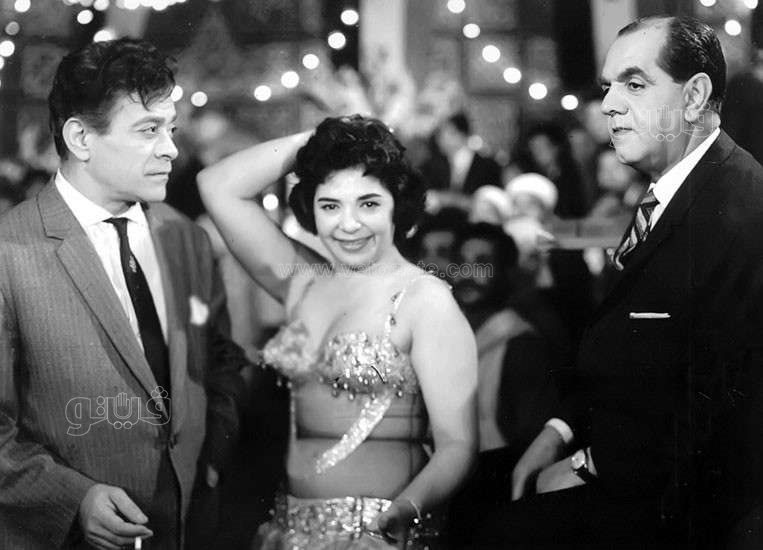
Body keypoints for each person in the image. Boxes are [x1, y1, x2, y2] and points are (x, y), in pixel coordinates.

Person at [475, 15, 763, 549]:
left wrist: (586, 465)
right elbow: (619, 352)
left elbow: (720, 415)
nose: (608, 104)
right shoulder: (670, 192)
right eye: (608, 86)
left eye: (634, 84)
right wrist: (558, 430)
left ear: (694, 96)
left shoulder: (741, 210)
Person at [0, 38, 248, 550]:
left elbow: (220, 357)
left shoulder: (185, 237)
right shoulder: (10, 251)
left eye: (171, 129)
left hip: (188, 526)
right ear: (81, 138)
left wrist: (211, 457)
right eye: (148, 130)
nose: (170, 148)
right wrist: (73, 499)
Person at [198, 115, 477, 549]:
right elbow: (218, 185)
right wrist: (324, 141)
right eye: (330, 206)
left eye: (368, 204)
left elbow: (458, 444)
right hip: (288, 533)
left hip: (380, 535)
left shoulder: (425, 300)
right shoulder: (303, 281)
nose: (348, 224)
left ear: (398, 206)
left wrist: (406, 510)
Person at [447, 222, 568, 547]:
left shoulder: (520, 342)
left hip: (488, 499)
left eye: (482, 262)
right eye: (461, 262)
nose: (468, 273)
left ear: (507, 272)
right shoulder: (446, 333)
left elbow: (528, 442)